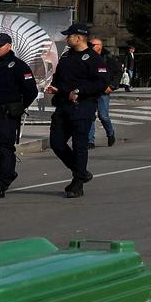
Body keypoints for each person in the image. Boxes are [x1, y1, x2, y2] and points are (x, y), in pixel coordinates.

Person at [46, 22, 111, 197]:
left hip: (82, 107)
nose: (67, 38)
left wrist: (80, 91)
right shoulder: (67, 57)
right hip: (63, 106)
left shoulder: (93, 58)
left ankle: (78, 183)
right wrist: (54, 87)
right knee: (56, 142)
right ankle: (81, 172)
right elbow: (59, 79)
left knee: (79, 145)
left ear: (78, 38)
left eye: (69, 36)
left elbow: (101, 82)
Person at [0, 32, 39, 199]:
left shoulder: (19, 66)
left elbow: (31, 91)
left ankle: (0, 185)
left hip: (6, 116)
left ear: (9, 46)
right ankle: (6, 170)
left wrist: (18, 107)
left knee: (5, 149)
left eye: (0, 44)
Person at [86, 36, 119, 147]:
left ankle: (110, 133)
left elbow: (118, 71)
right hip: (90, 91)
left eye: (92, 45)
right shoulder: (87, 57)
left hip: (103, 91)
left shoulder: (108, 57)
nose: (89, 47)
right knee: (90, 115)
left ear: (99, 47)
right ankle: (90, 141)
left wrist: (112, 86)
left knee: (103, 115)